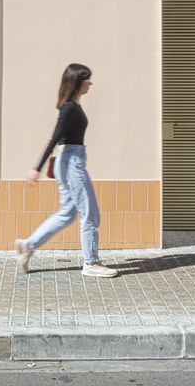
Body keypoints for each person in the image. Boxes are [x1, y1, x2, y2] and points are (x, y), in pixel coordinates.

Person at [15, 62, 118, 278]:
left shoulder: (73, 106)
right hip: (71, 163)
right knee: (90, 214)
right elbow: (54, 137)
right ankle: (91, 263)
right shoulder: (69, 108)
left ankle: (28, 245)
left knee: (67, 214)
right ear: (77, 82)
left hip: (70, 161)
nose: (90, 83)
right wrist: (37, 168)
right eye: (86, 79)